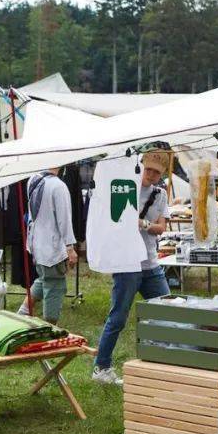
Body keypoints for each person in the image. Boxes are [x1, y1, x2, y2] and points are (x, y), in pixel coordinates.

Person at [91, 151, 172, 386]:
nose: (151, 175)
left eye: (156, 172)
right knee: (118, 317)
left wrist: (142, 224)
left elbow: (161, 228)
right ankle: (101, 367)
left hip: (150, 263)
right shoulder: (126, 187)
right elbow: (111, 220)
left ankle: (161, 360)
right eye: (148, 169)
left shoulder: (160, 194)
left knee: (167, 311)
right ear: (141, 166)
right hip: (127, 263)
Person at [18, 167, 77, 325]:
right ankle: (50, 328)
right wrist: (70, 248)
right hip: (52, 247)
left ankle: (23, 312)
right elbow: (64, 220)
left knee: (44, 279)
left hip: (36, 243)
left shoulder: (33, 179)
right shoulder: (58, 186)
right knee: (54, 286)